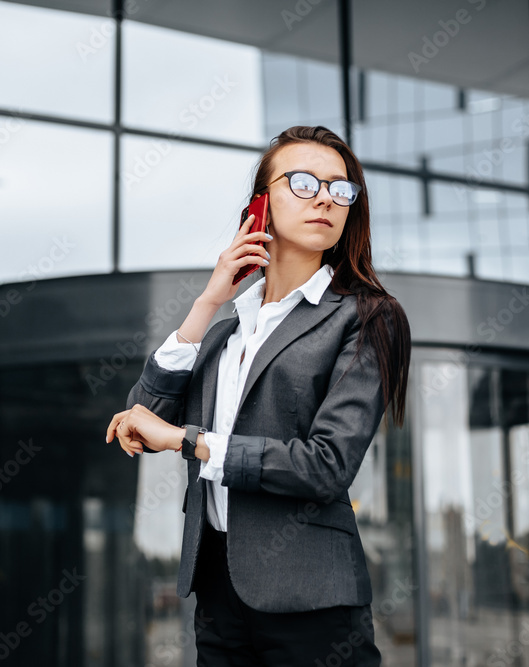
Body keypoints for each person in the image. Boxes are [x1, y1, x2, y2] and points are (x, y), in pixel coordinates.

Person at [106, 125, 411, 666]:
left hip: (311, 600)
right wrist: (205, 304)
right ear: (260, 206)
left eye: (341, 189)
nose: (325, 198)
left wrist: (188, 440)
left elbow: (327, 464)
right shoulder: (228, 329)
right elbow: (144, 420)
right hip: (219, 594)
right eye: (304, 182)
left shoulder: (365, 317)